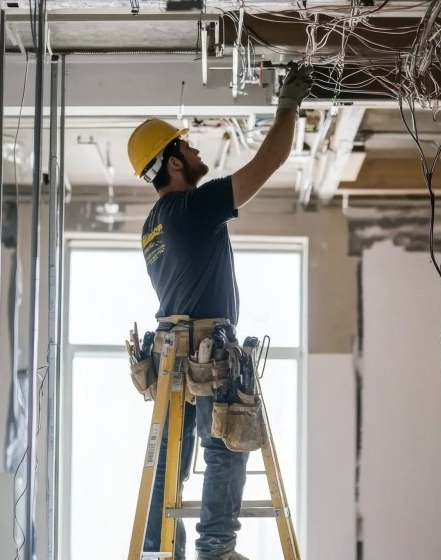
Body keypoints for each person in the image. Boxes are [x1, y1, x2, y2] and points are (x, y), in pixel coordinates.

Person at [126, 62, 313, 560]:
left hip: (171, 352)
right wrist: (289, 104)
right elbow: (269, 161)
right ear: (171, 164)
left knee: (171, 457)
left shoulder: (151, 226)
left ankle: (161, 548)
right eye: (185, 146)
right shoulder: (192, 208)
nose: (194, 148)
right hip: (206, 347)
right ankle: (215, 550)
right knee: (227, 442)